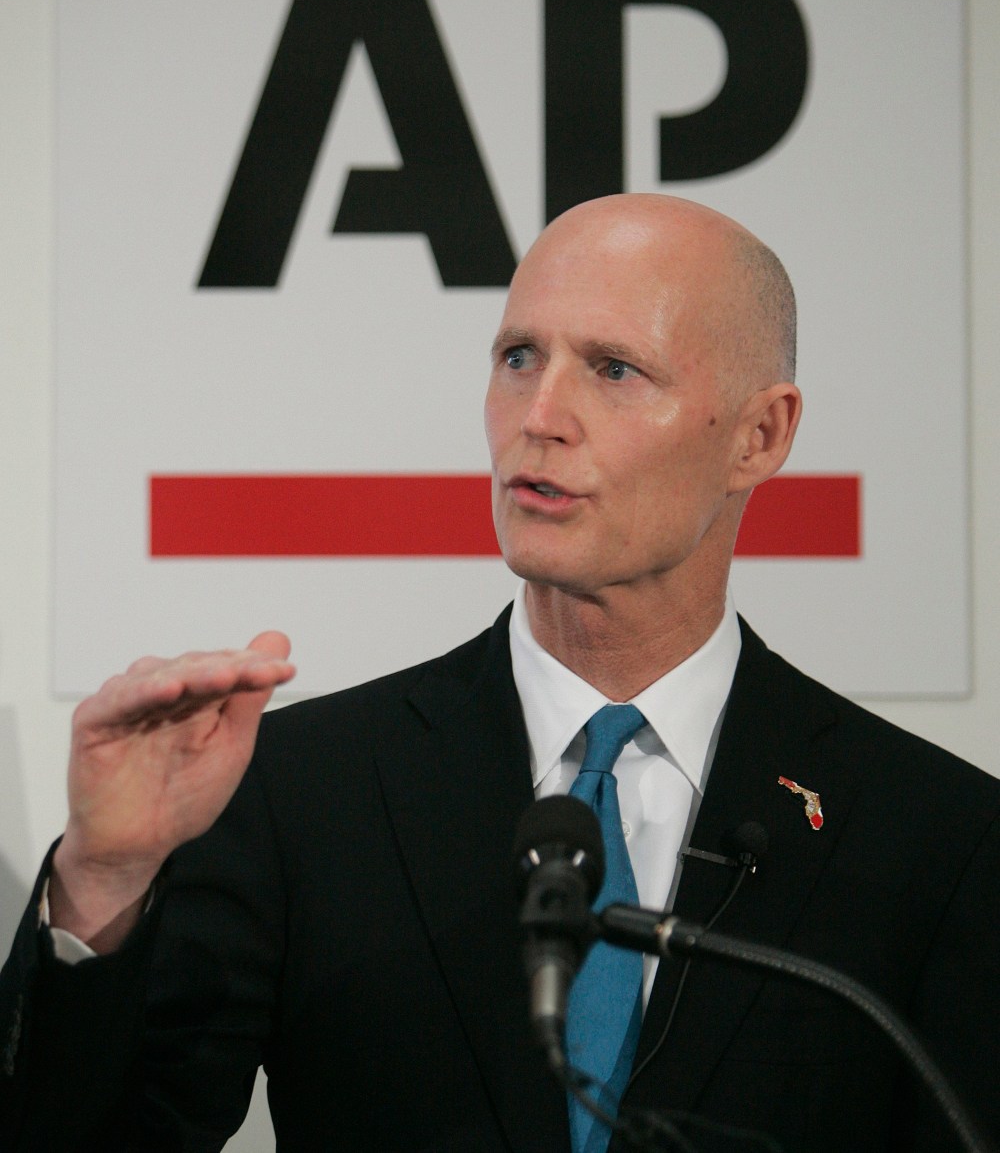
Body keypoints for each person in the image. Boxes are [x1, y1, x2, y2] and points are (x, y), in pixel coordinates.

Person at [1, 194, 998, 1152]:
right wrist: (105, 882)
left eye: (614, 369)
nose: (541, 414)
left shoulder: (934, 836)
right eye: (519, 358)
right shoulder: (302, 790)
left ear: (760, 434)